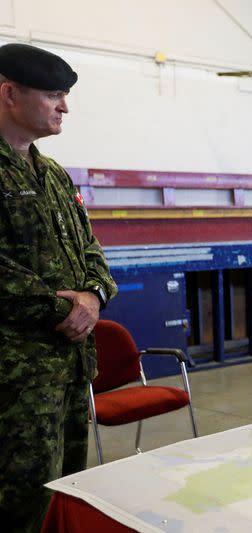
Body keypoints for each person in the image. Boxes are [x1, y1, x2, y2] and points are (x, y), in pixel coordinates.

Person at [0, 43, 117, 531]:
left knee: (66, 498)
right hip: (15, 382)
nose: (64, 106)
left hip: (67, 374)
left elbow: (92, 252)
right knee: (16, 508)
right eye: (53, 94)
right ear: (9, 93)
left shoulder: (52, 175)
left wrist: (93, 297)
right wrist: (58, 310)